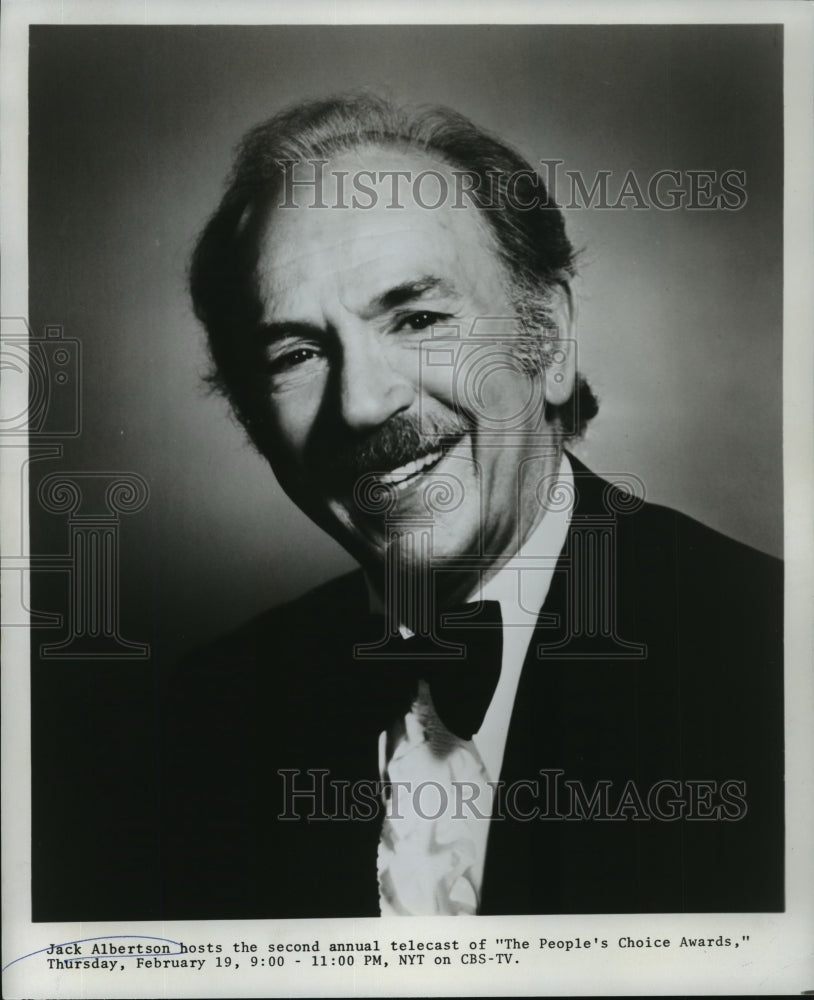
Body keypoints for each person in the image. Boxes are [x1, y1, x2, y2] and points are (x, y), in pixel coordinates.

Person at [161, 94, 783, 918]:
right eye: (299, 352)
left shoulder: (775, 658)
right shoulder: (197, 718)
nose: (362, 404)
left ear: (549, 343)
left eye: (419, 318)